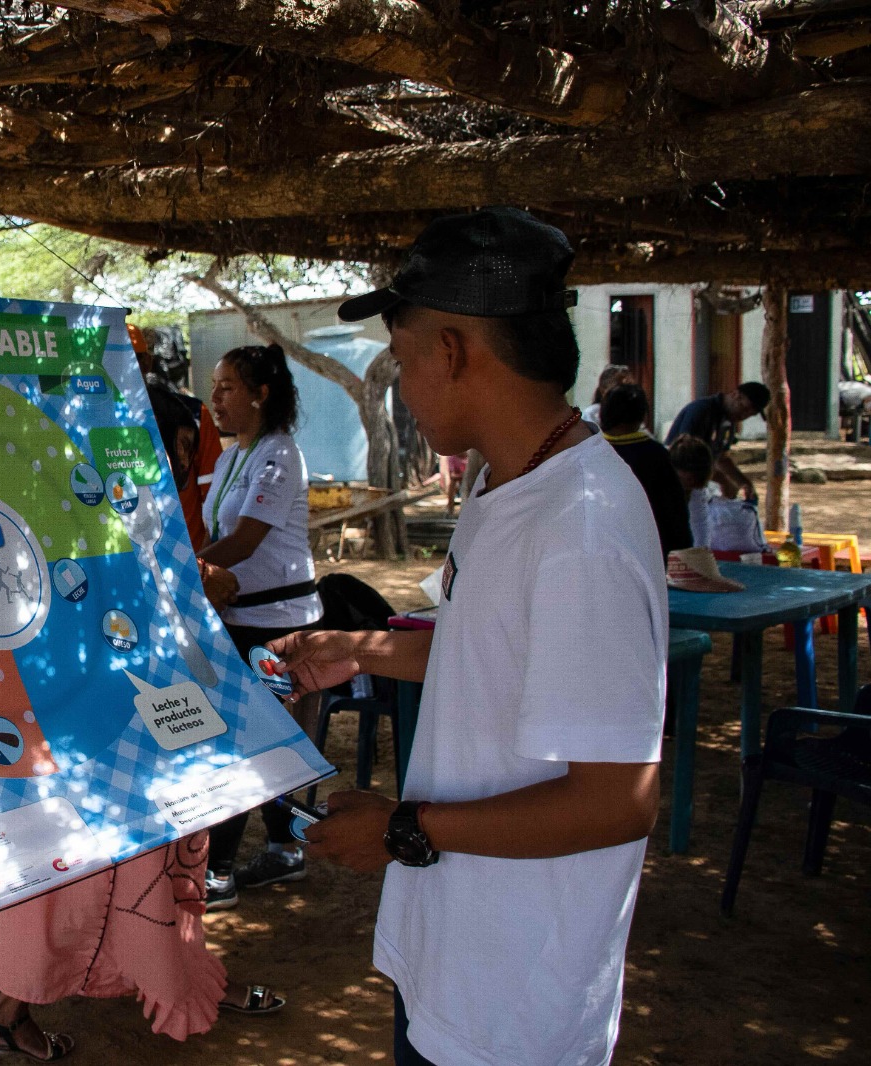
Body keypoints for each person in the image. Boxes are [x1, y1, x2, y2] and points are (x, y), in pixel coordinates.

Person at [270, 207, 665, 1066]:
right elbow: (492, 651)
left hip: (514, 1002)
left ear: (450, 352)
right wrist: (362, 650)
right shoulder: (506, 484)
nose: (404, 389)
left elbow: (618, 800)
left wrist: (403, 829)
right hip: (455, 952)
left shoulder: (580, 529)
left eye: (403, 360)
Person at [0, 382, 287, 1061]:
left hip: (144, 717)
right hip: (96, 724)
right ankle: (31, 1005)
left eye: (185, 453)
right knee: (80, 871)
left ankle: (160, 976)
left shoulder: (135, 513)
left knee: (146, 857)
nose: (181, 466)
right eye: (172, 451)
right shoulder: (77, 512)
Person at [197, 343, 323, 909]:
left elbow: (245, 542)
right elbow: (218, 539)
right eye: (215, 387)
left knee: (249, 741)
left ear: (261, 394)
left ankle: (220, 872)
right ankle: (284, 848)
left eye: (227, 387)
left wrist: (185, 573)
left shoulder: (279, 455)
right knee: (253, 736)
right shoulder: (232, 459)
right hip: (238, 618)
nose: (215, 398)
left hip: (279, 625)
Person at [130, 322, 223, 549]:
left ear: (147, 362)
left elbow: (215, 496)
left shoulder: (192, 414)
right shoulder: (88, 422)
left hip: (185, 556)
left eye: (131, 359)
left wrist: (205, 559)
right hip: (126, 557)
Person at [600, 383, 691, 558]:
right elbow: (674, 512)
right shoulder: (655, 455)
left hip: (599, 552)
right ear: (642, 415)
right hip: (646, 552)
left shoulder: (590, 451)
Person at [663, 381, 770, 501]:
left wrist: (743, 483)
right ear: (735, 395)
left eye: (751, 414)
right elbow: (685, 455)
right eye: (744, 409)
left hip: (695, 484)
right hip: (676, 479)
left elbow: (721, 458)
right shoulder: (702, 410)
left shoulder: (729, 421)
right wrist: (723, 480)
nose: (744, 416)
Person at [668, 434, 716, 548]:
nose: (691, 485)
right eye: (688, 479)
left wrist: (701, 553)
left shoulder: (696, 490)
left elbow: (700, 524)